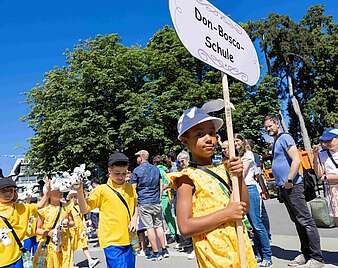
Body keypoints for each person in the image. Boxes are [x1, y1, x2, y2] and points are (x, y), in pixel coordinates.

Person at [168, 105, 257, 268]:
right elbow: (185, 227)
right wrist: (227, 213)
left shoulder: (225, 168)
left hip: (240, 248)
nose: (209, 139)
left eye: (212, 133)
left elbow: (243, 208)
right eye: (200, 134)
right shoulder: (186, 178)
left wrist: (238, 177)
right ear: (185, 141)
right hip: (215, 257)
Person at [264, 115, 324, 268]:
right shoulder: (276, 141)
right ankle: (305, 254)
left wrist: (290, 179)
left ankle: (316, 258)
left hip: (293, 186)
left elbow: (296, 159)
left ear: (277, 124)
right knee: (298, 222)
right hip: (284, 188)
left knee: (305, 221)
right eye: (266, 127)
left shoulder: (285, 137)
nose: (268, 129)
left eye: (270, 126)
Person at [76, 152, 138, 268]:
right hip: (112, 240)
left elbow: (135, 205)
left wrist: (134, 219)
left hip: (131, 238)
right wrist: (79, 191)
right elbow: (84, 210)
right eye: (117, 173)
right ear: (109, 170)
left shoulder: (130, 188)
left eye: (124, 173)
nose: (121, 177)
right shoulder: (101, 190)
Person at [234, 134, 272, 267]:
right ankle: (258, 254)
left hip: (250, 189)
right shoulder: (237, 156)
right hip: (242, 190)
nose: (235, 143)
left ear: (242, 141)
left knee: (257, 224)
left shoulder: (248, 154)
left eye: (237, 140)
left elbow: (241, 174)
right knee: (251, 225)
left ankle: (267, 256)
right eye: (234, 141)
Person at [0, 177, 49, 268]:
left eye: (11, 190)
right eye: (4, 190)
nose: (8, 193)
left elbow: (39, 205)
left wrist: (47, 193)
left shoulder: (21, 207)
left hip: (16, 258)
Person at [131, 150, 169, 261]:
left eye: (137, 157)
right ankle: (164, 250)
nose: (136, 159)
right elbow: (161, 185)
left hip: (144, 202)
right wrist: (159, 198)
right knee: (159, 226)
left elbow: (133, 190)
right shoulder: (156, 169)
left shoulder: (137, 171)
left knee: (150, 228)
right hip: (156, 201)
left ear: (141, 157)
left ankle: (156, 252)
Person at [35, 182, 75, 268]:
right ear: (49, 193)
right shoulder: (43, 210)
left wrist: (68, 224)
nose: (60, 192)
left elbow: (72, 222)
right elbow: (37, 229)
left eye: (60, 190)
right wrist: (48, 233)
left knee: (66, 264)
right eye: (57, 190)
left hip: (65, 243)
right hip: (50, 244)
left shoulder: (66, 206)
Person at [313, 128, 338, 226]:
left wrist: (327, 177)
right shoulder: (323, 155)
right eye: (325, 141)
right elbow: (319, 174)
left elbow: (324, 177)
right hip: (332, 191)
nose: (327, 143)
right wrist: (315, 157)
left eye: (330, 140)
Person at [152, 155, 179, 244]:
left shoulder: (158, 171)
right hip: (167, 194)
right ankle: (173, 233)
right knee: (168, 215)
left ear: (154, 163)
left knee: (167, 215)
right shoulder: (165, 170)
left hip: (163, 194)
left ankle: (173, 234)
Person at [69, 194, 100, 268]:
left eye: (75, 196)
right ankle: (71, 263)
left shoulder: (79, 206)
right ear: (69, 198)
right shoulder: (68, 207)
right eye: (72, 197)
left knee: (84, 244)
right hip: (72, 230)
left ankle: (90, 260)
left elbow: (82, 218)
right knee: (70, 247)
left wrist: (85, 227)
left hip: (80, 229)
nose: (74, 198)